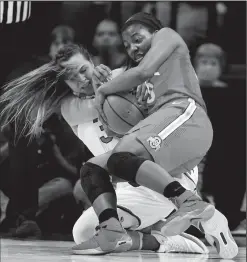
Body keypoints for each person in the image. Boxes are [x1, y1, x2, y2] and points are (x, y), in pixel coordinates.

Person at [0, 43, 207, 253]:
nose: (81, 79)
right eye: (72, 77)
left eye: (83, 70)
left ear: (93, 63)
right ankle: (164, 238)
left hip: (166, 173)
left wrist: (148, 85)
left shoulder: (120, 75)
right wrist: (116, 86)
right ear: (66, 84)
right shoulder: (70, 108)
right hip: (131, 185)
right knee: (83, 232)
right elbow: (99, 104)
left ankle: (172, 222)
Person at [73, 13, 237, 258]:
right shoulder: (134, 78)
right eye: (127, 45)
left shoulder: (167, 37)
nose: (132, 47)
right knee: (93, 169)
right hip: (160, 146)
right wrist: (102, 87)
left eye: (137, 39)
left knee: (122, 156)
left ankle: (191, 205)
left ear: (155, 33)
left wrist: (105, 90)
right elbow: (116, 131)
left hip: (187, 116)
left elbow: (143, 72)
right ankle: (112, 231)